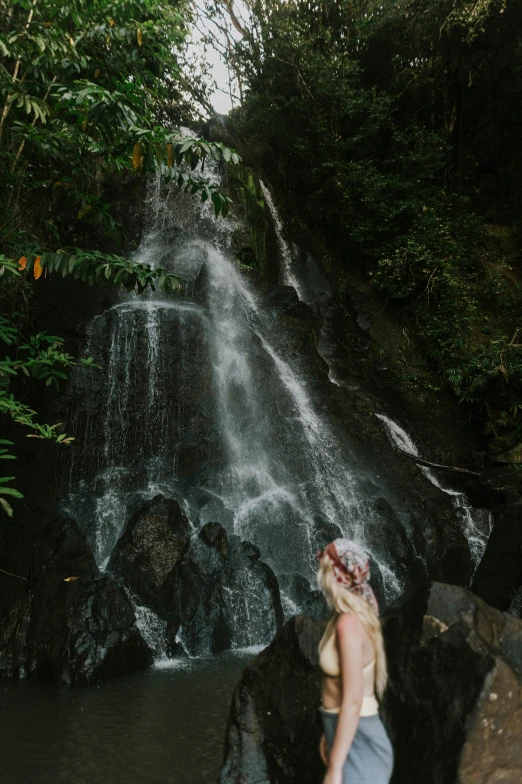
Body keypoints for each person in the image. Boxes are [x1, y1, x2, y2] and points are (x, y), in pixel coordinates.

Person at [317, 539, 393, 784]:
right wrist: (330, 736)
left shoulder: (349, 624)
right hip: (347, 735)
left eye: (324, 567)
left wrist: (335, 768)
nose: (319, 573)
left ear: (335, 575)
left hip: (361, 741)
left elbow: (352, 701)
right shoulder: (350, 616)